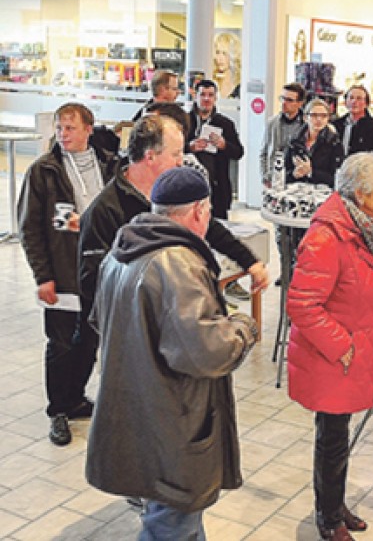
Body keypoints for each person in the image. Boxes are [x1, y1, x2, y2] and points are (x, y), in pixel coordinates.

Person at [85, 166, 259, 539]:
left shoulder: (121, 250)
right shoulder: (177, 263)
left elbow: (99, 320)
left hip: (132, 408)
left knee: (170, 515)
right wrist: (243, 327)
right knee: (173, 521)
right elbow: (205, 352)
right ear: (199, 211)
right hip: (172, 419)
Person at [286, 153, 373, 541]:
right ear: (361, 194)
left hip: (345, 355)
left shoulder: (363, 228)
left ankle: (334, 505)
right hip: (331, 358)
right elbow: (302, 303)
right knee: (332, 438)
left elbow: (349, 286)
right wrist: (342, 346)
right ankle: (328, 517)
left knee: (338, 438)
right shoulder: (328, 235)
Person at [78, 115, 268, 366]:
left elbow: (210, 228)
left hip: (176, 327)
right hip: (136, 335)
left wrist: (250, 262)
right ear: (150, 156)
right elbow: (92, 282)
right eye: (176, 153)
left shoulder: (170, 191)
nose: (182, 162)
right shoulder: (105, 210)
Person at [17, 102, 117, 446]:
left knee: (89, 339)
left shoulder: (109, 165)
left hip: (100, 269)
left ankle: (75, 398)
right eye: (59, 128)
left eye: (71, 128)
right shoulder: (44, 170)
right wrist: (42, 276)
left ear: (89, 129)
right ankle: (57, 409)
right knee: (61, 343)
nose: (63, 135)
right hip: (62, 270)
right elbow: (29, 228)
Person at [187, 79, 244, 219]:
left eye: (210, 95)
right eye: (203, 94)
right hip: (189, 184)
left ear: (216, 98)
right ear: (195, 96)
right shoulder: (185, 121)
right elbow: (173, 150)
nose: (206, 99)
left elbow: (239, 152)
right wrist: (189, 147)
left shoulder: (225, 124)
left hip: (217, 188)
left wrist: (224, 145)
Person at [285, 98, 344, 187]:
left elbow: (337, 179)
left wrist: (311, 172)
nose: (319, 119)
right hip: (296, 193)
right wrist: (293, 174)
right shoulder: (294, 141)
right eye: (314, 115)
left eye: (323, 116)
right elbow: (284, 173)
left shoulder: (334, 143)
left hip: (322, 195)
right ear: (305, 118)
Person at [260, 82, 307, 189]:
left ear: (300, 103)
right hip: (275, 176)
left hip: (298, 179)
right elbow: (264, 152)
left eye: (289, 100)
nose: (284, 103)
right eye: (282, 98)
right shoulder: (272, 123)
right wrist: (265, 176)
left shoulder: (306, 125)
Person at [332, 85, 373, 160]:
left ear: (366, 104)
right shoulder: (336, 125)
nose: (354, 101)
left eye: (359, 98)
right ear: (345, 102)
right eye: (351, 98)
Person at [213, 31, 241, 99]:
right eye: (217, 52)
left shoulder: (240, 85)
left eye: (224, 53)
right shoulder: (211, 81)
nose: (220, 58)